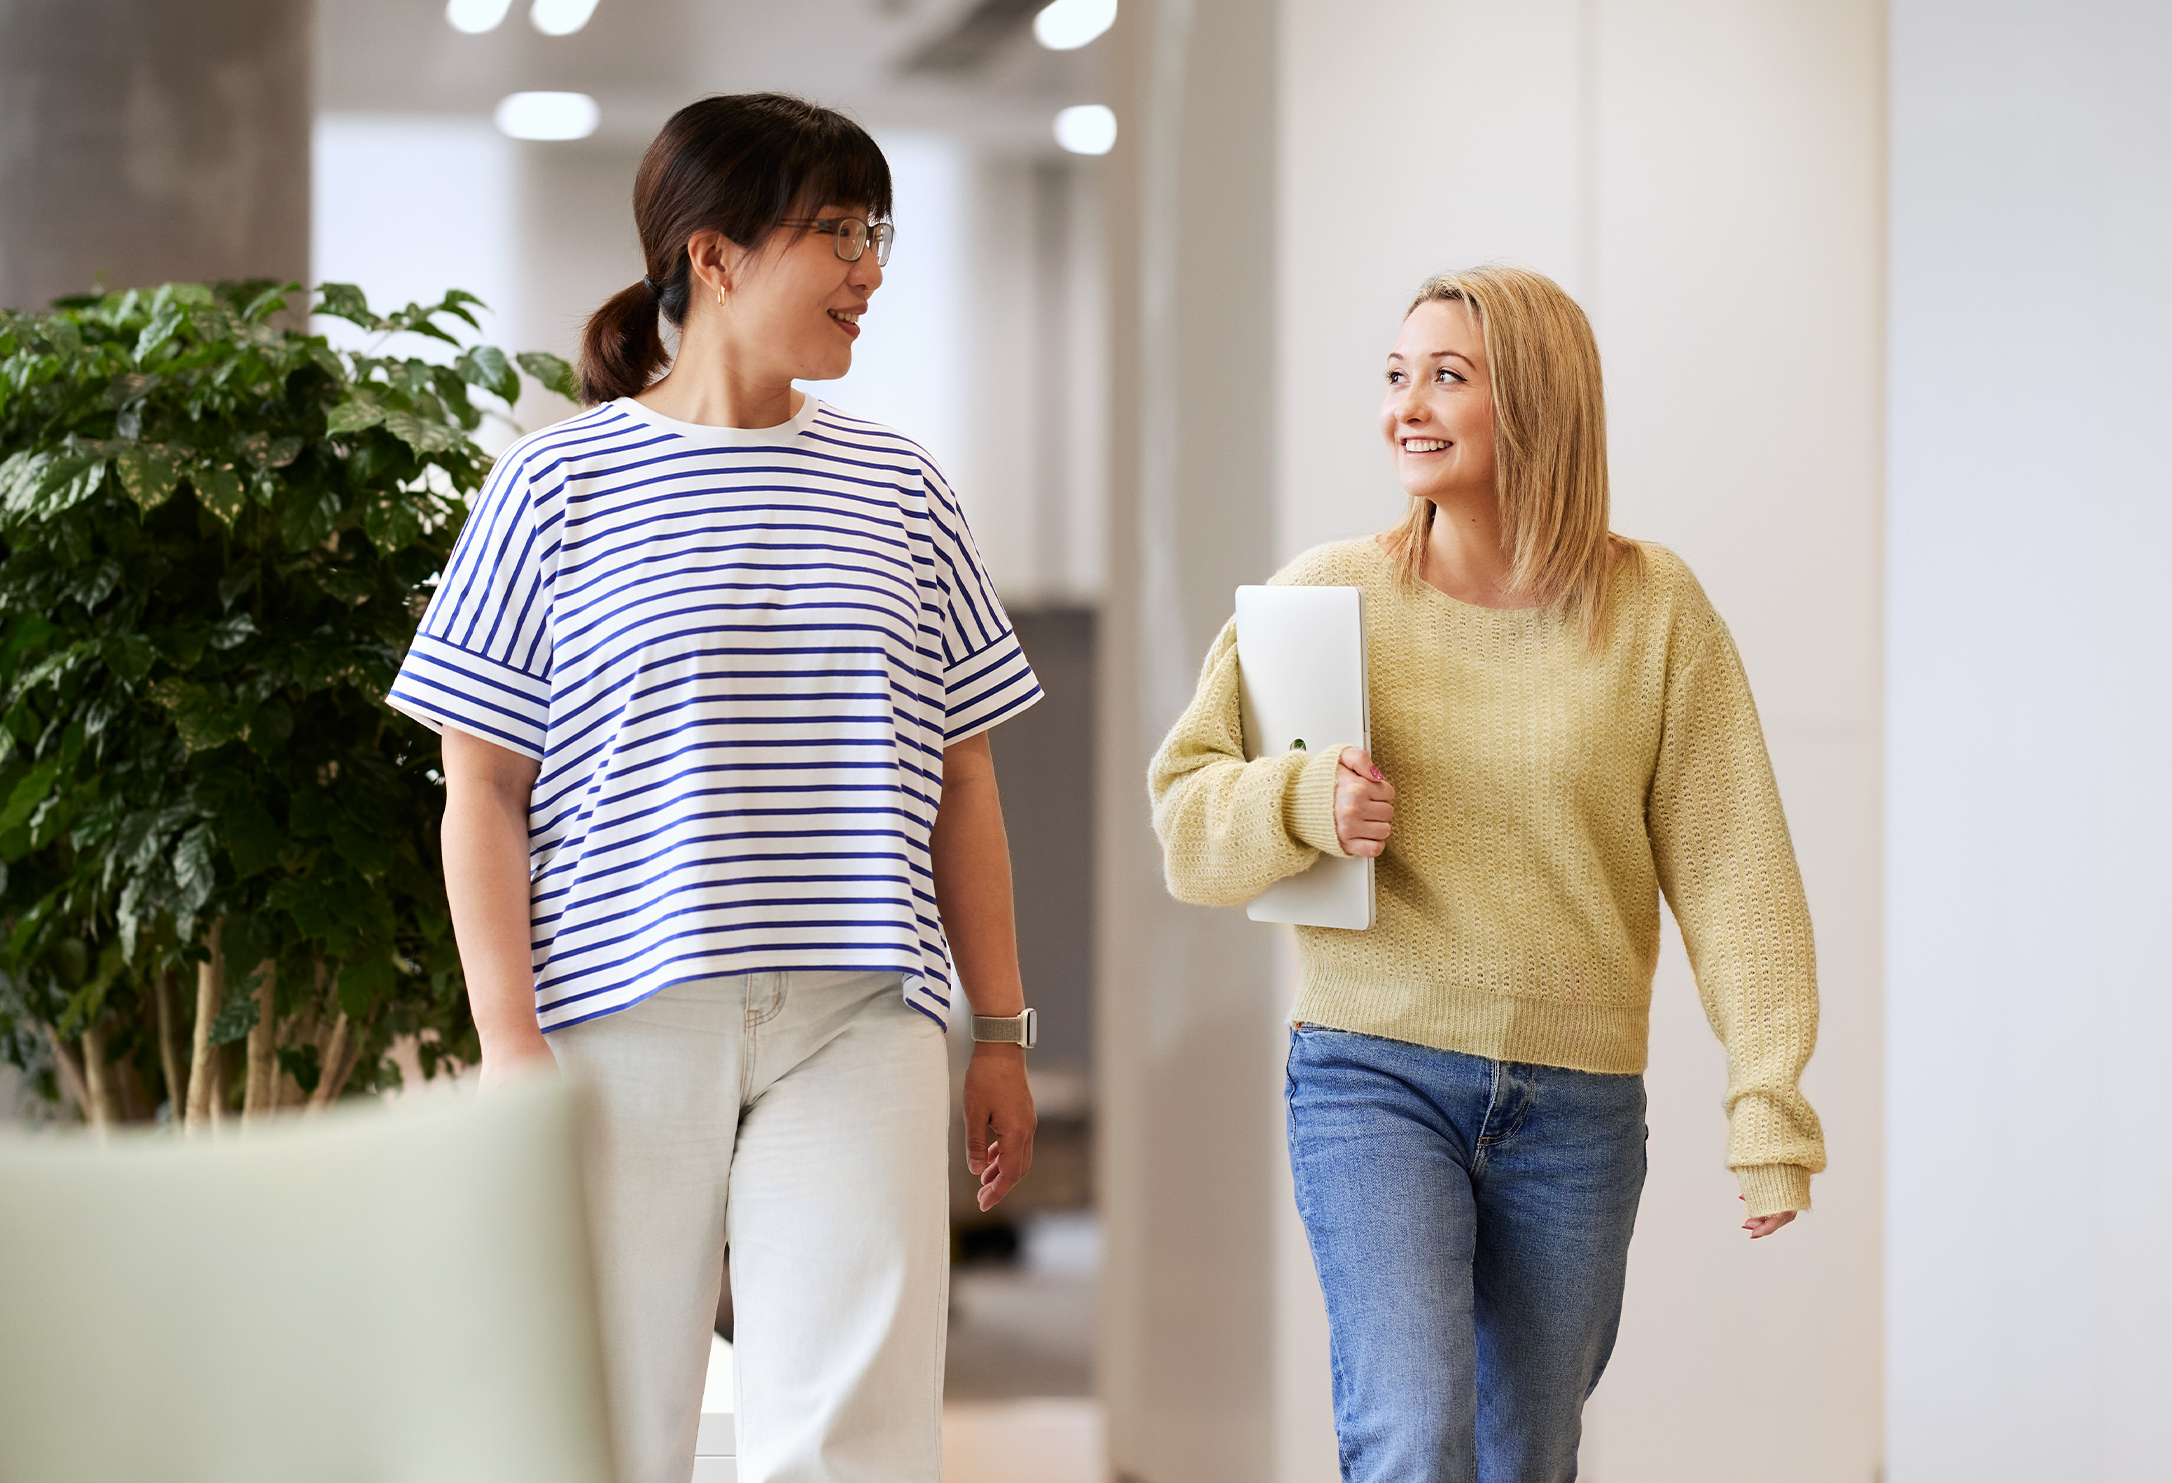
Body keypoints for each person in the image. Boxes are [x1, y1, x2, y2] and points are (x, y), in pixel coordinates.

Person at [387, 92, 1042, 1483]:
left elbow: (964, 776)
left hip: (861, 1016)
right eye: (837, 232)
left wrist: (1001, 1030)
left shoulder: (903, 486)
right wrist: (510, 1048)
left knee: (851, 1447)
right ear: (715, 257)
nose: (871, 266)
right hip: (616, 1017)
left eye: (880, 231)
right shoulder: (554, 482)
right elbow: (479, 787)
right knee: (603, 1429)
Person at [1148, 265, 1824, 1483]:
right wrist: (1298, 800)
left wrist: (1765, 1101)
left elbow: (1735, 868)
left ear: (1537, 402)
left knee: (1526, 1455)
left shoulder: (1652, 609)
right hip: (1371, 1072)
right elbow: (1186, 822)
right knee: (1412, 1429)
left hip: (1575, 1105)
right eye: (1396, 375)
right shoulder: (1324, 598)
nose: (1405, 405)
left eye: (1445, 377)